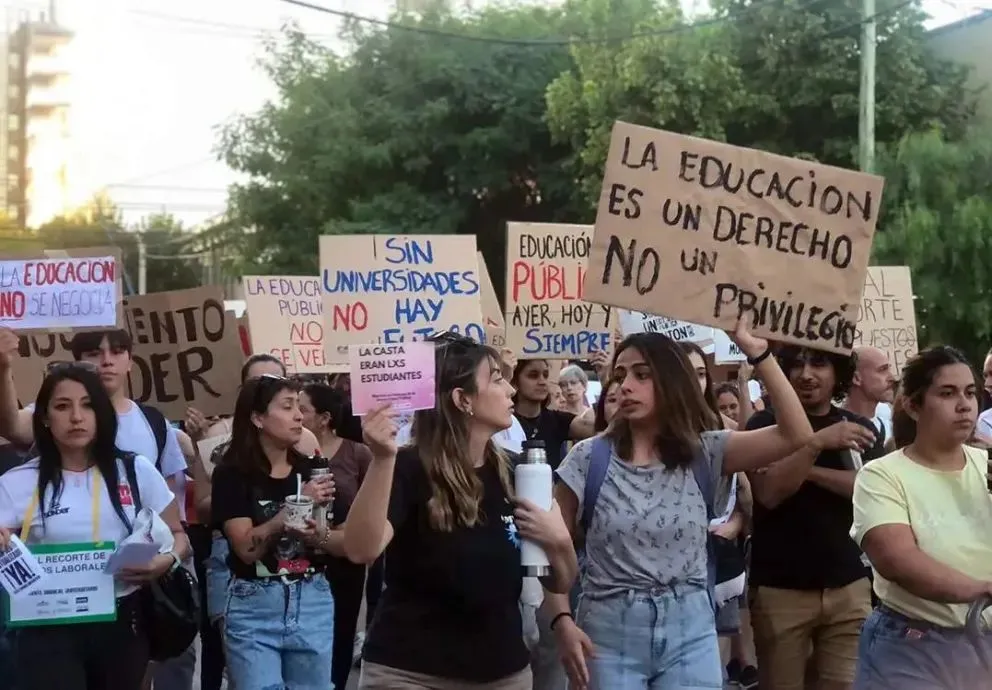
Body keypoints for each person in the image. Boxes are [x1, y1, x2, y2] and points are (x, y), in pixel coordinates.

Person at [546, 323, 814, 689]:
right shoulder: (586, 459)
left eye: (642, 375)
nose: (625, 385)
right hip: (607, 634)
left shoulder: (707, 450)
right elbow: (550, 548)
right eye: (620, 375)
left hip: (690, 628)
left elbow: (796, 433)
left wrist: (759, 353)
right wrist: (561, 620)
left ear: (671, 382)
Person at [344, 332, 578, 688]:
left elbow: (559, 579)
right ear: (463, 398)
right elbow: (361, 548)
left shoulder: (521, 472)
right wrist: (381, 459)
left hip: (502, 673)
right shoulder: (406, 466)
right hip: (409, 673)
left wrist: (559, 540)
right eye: (498, 379)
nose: (511, 390)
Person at [0, 364, 191, 690]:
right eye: (62, 406)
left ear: (102, 414)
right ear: (44, 417)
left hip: (122, 622)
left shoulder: (135, 470)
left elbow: (179, 534)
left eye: (88, 405)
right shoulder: (17, 482)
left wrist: (167, 561)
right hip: (45, 629)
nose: (76, 416)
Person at [746, 346, 885, 690]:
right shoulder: (763, 425)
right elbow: (769, 492)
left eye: (819, 363)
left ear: (839, 372)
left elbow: (869, 490)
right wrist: (816, 443)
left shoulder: (859, 428)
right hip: (780, 592)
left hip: (848, 589)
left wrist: (807, 473)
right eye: (796, 364)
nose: (806, 374)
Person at [852, 346, 992, 689]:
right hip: (910, 646)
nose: (964, 405)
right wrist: (982, 589)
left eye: (970, 393)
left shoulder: (986, 464)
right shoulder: (881, 476)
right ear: (913, 406)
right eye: (947, 393)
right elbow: (897, 560)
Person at [211, 375, 338, 690]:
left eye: (299, 406)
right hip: (254, 603)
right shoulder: (232, 474)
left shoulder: (312, 470)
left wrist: (320, 528)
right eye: (287, 406)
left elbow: (330, 537)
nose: (299, 416)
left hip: (311, 597)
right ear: (257, 417)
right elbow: (245, 548)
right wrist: (295, 507)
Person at [300, 382, 374, 689]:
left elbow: (373, 504)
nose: (295, 416)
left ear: (324, 418)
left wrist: (345, 532)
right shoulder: (290, 454)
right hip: (302, 562)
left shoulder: (359, 454)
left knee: (341, 636)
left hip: (344, 562)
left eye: (301, 409)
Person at [845, 346, 897, 449]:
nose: (892, 378)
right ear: (856, 378)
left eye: (889, 369)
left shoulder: (892, 426)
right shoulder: (837, 429)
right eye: (882, 370)